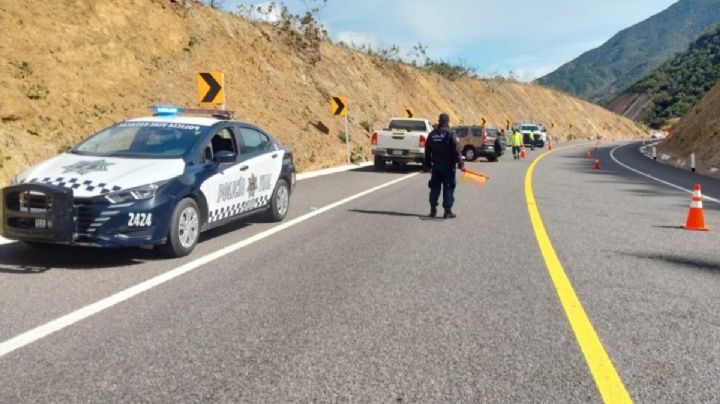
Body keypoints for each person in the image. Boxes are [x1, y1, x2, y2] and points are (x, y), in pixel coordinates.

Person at [424, 113, 463, 219]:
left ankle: (433, 210)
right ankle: (447, 211)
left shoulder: (432, 134)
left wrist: (427, 165)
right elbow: (456, 150)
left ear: (439, 121)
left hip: (436, 165)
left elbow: (427, 151)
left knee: (434, 187)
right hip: (448, 166)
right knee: (448, 187)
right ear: (448, 121)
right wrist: (461, 164)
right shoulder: (451, 133)